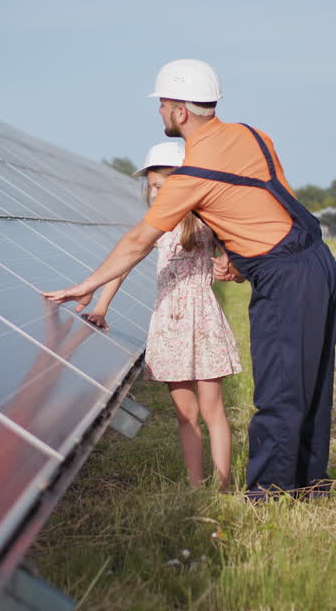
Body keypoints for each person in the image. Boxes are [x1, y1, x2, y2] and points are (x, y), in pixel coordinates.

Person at [45, 59, 336, 500]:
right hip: (318, 261)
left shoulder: (192, 175)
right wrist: (240, 259)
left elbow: (138, 241)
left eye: (163, 104)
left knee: (280, 387)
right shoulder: (254, 135)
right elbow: (260, 206)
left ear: (180, 111)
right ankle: (310, 484)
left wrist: (87, 285)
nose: (159, 111)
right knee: (311, 381)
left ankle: (270, 494)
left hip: (285, 276)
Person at [82, 140, 243, 489]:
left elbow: (236, 249)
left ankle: (223, 485)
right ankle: (196, 486)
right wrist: (101, 306)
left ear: (181, 183)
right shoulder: (155, 226)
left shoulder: (207, 222)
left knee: (213, 409)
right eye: (151, 187)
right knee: (186, 414)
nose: (154, 193)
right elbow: (123, 266)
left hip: (203, 320)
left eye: (160, 185)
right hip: (169, 323)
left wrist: (229, 263)